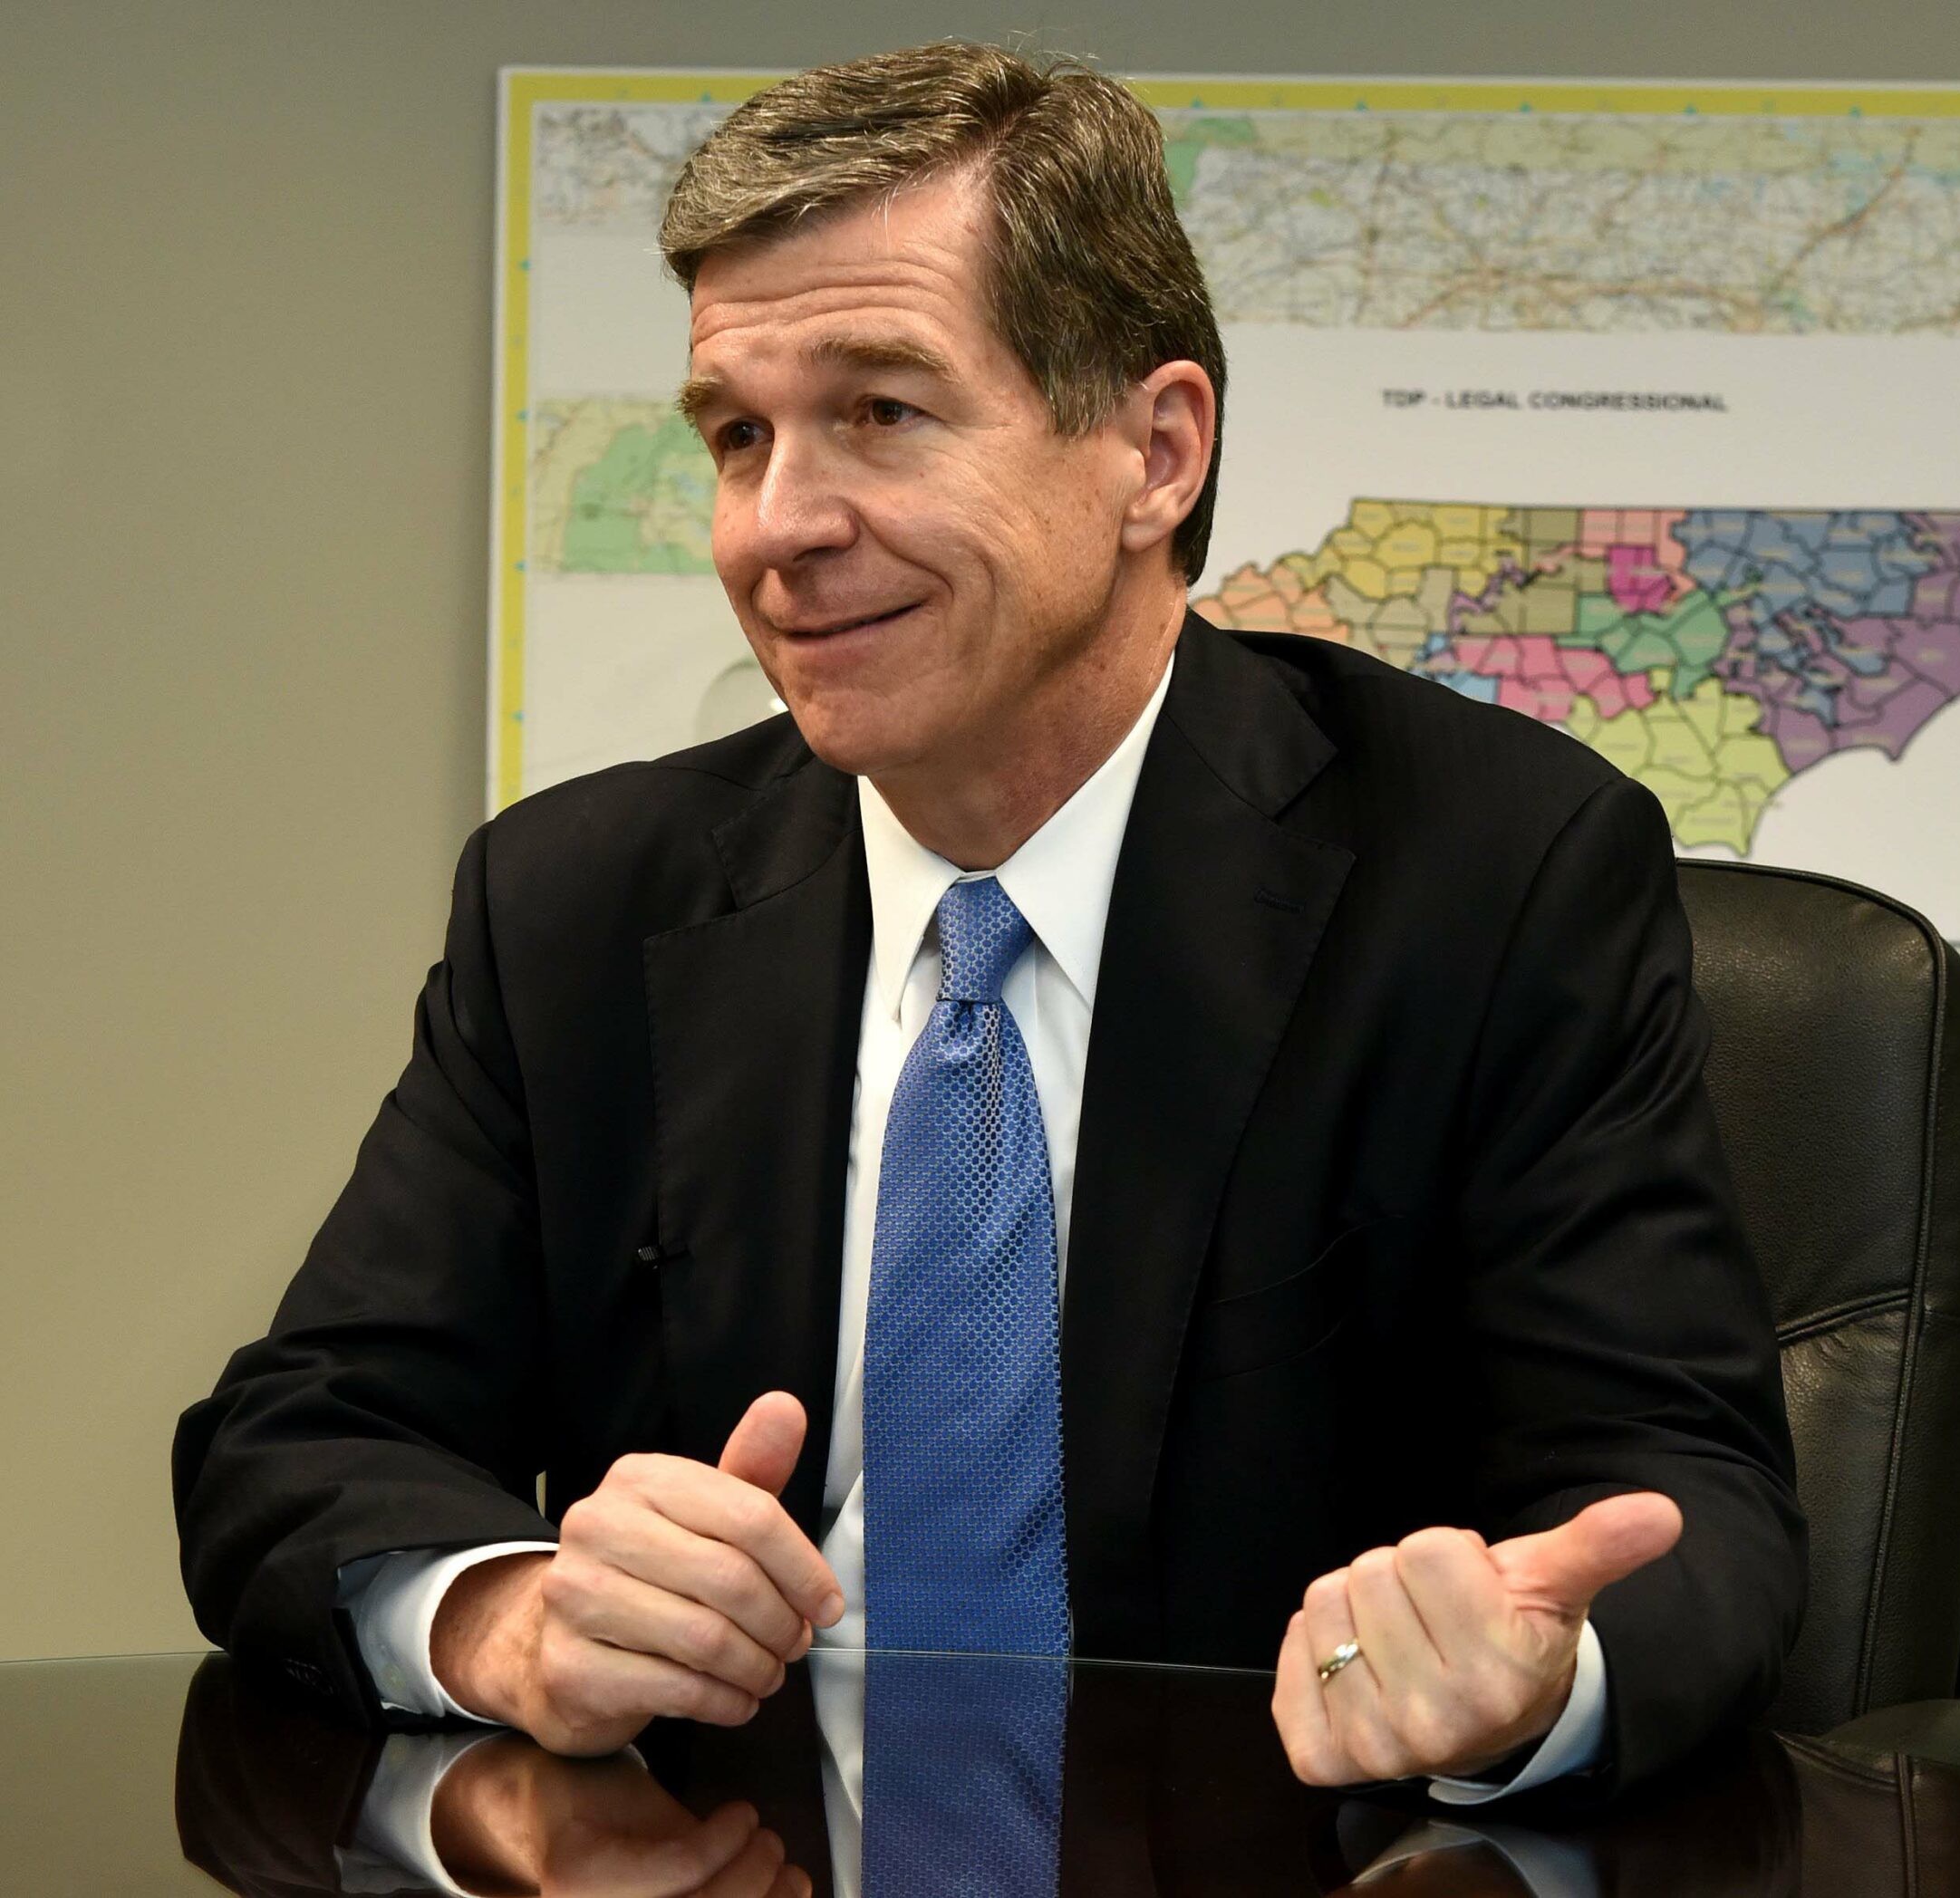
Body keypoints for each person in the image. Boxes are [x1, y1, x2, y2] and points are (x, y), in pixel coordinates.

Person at [174, 42, 1803, 1806]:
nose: (777, 527)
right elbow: (296, 1442)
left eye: (882, 411)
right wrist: (509, 1615)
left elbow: (1688, 1501)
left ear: (1153, 453)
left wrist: (1521, 1674)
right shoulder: (579, 902)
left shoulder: (1491, 873)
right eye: (738, 435)